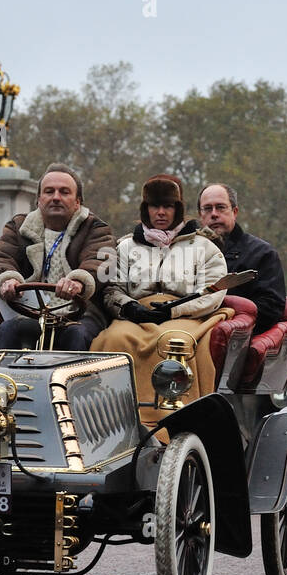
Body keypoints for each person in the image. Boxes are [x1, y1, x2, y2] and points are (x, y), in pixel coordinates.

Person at [94, 174, 228, 423]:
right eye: (155, 206)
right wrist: (131, 309)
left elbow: (213, 292)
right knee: (111, 338)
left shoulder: (205, 247)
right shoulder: (124, 247)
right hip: (135, 315)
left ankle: (173, 421)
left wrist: (173, 310)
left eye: (168, 206)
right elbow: (111, 289)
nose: (161, 212)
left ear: (179, 209)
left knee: (174, 342)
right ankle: (111, 419)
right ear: (145, 210)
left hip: (186, 314)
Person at [0, 163, 114, 352]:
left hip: (80, 315)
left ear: (78, 202)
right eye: (49, 191)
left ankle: (72, 382)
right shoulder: (18, 226)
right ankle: (4, 381)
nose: (56, 197)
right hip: (26, 313)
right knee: (8, 329)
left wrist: (79, 282)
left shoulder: (96, 228)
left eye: (64, 192)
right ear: (39, 199)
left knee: (77, 334)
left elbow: (101, 262)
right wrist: (8, 280)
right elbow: (0, 258)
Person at [197, 183, 287, 334]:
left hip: (236, 338)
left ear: (235, 211)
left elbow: (271, 307)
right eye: (207, 208)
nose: (214, 214)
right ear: (200, 215)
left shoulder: (262, 254)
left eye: (220, 207)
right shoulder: (186, 252)